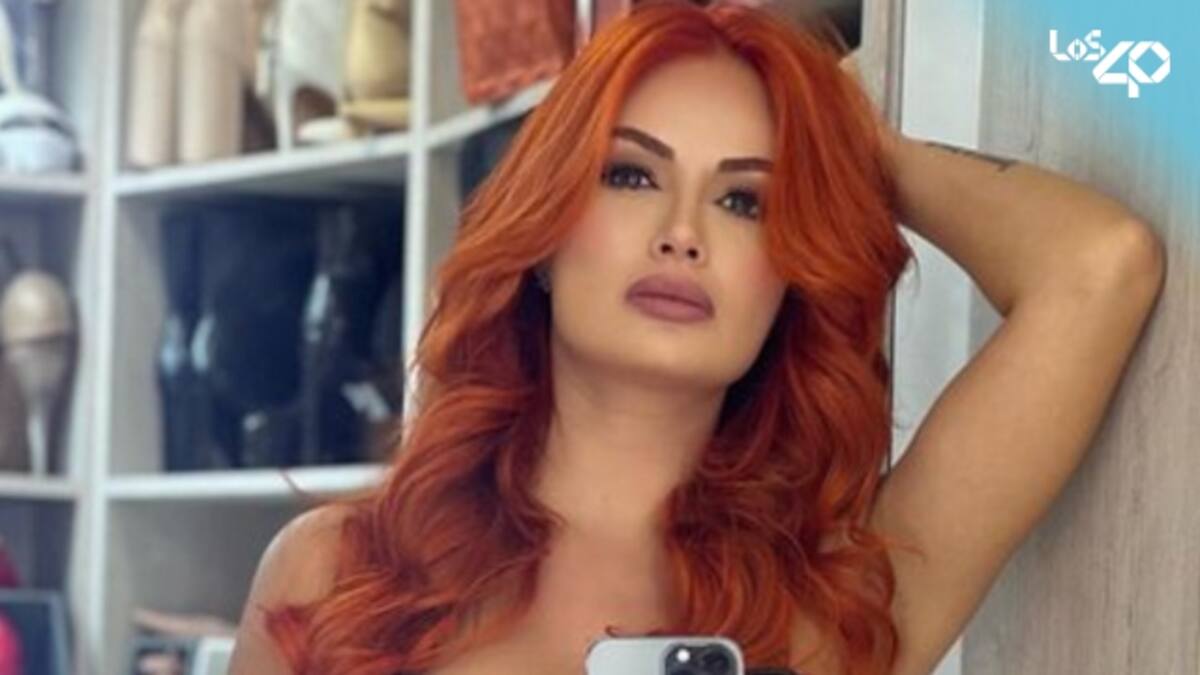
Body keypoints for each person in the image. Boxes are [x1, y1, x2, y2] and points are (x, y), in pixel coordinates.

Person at [227, 2, 1166, 674]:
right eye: (632, 176)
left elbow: (1097, 266)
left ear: (789, 274)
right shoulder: (339, 568)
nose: (683, 233)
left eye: (746, 200)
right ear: (544, 234)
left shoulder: (834, 603)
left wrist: (844, 144)